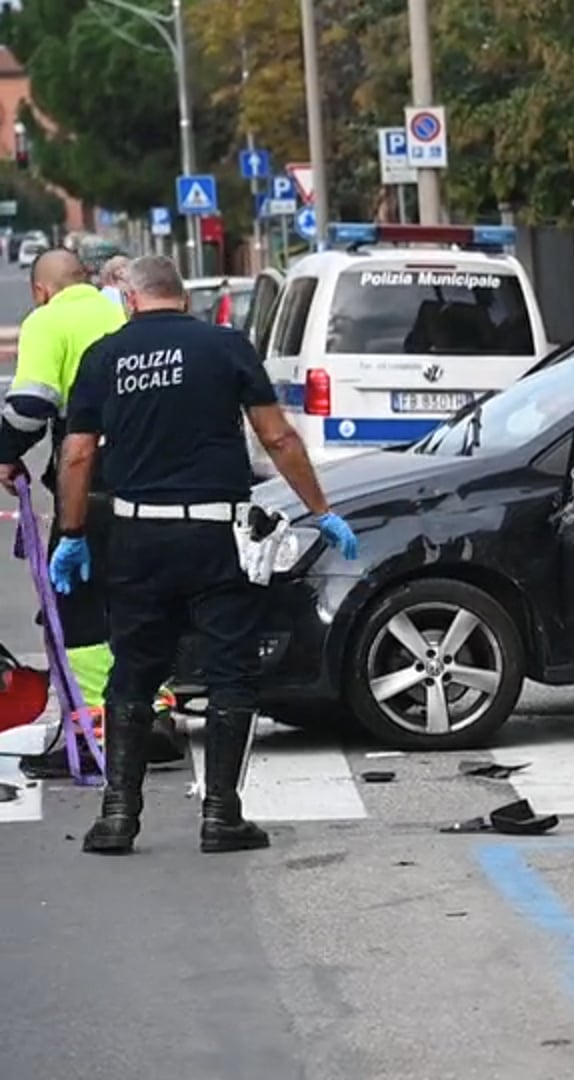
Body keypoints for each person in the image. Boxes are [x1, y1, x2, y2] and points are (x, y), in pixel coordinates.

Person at [52, 255, 358, 855]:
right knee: (230, 672)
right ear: (183, 299)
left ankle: (117, 816)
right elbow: (277, 436)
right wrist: (320, 508)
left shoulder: (105, 356)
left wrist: (73, 531)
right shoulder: (225, 346)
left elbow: (78, 454)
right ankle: (221, 816)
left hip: (138, 538)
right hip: (217, 537)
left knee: (134, 672)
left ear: (132, 300)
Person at [0, 248, 188, 779]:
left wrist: (6, 453)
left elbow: (33, 404)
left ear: (40, 290)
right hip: (153, 478)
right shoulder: (120, 311)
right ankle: (154, 712)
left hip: (90, 483)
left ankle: (97, 726)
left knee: (78, 604)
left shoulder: (47, 321)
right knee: (139, 598)